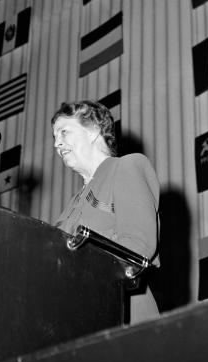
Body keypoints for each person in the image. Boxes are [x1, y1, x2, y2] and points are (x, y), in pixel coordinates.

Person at [51, 100, 160, 325]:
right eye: (54, 137)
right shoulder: (72, 204)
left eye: (63, 132)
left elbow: (138, 247)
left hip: (123, 315)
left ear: (92, 131)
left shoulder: (126, 167)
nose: (56, 144)